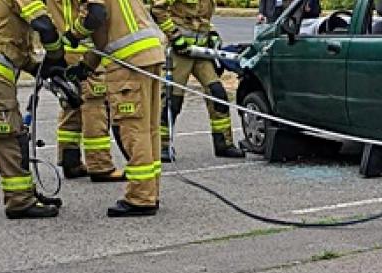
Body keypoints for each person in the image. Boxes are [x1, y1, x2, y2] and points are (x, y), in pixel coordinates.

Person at [0, 0, 68, 219]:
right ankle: (19, 201)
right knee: (8, 135)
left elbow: (9, 45)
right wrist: (57, 56)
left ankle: (26, 193)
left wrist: (41, 69)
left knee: (16, 133)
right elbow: (44, 26)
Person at [64, 0, 166, 217]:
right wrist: (86, 67)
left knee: (134, 129)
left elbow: (96, 15)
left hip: (129, 64)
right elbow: (108, 34)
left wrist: (73, 34)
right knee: (149, 129)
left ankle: (140, 198)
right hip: (151, 55)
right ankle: (150, 191)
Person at [150, 0, 245, 161]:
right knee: (171, 100)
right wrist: (175, 36)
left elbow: (202, 19)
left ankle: (224, 144)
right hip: (179, 51)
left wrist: (212, 33)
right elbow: (157, 10)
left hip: (201, 53)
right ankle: (162, 147)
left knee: (217, 94)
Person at [47, 0, 124, 183]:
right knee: (94, 107)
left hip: (62, 53)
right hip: (84, 51)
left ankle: (70, 160)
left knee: (70, 105)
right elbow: (95, 13)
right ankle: (100, 165)